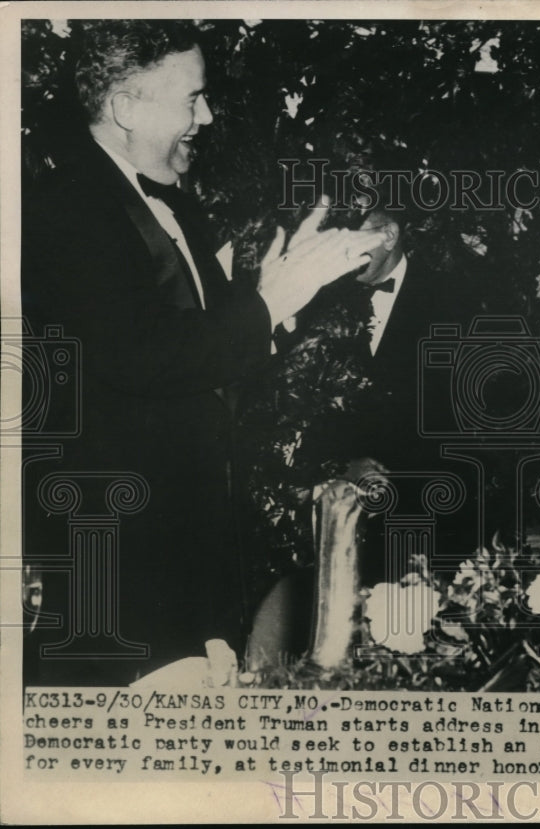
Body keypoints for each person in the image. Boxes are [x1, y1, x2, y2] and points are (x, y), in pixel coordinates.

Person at [21, 20, 377, 685]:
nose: (207, 116)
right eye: (192, 98)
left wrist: (280, 304)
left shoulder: (174, 209)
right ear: (126, 106)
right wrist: (267, 303)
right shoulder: (65, 210)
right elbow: (141, 357)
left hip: (193, 564)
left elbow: (204, 362)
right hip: (123, 573)